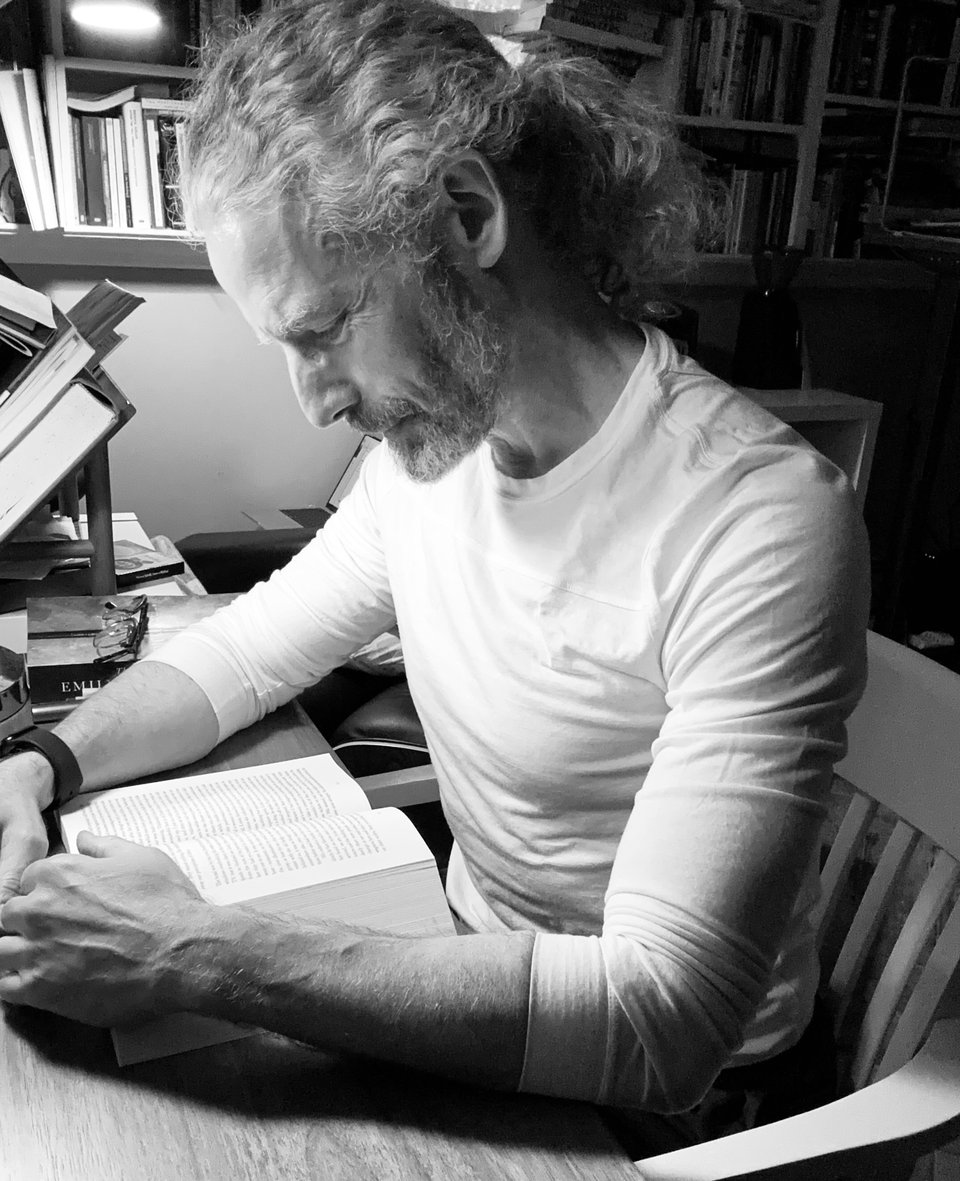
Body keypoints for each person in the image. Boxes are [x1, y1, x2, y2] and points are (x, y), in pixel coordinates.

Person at [0, 0, 868, 1151]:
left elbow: (668, 1020)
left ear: (467, 214)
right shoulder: (434, 450)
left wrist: (192, 949)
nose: (313, 398)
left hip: (669, 1102)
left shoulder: (759, 520)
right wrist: (38, 763)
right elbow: (256, 647)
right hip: (466, 968)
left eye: (324, 329)